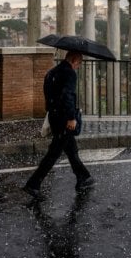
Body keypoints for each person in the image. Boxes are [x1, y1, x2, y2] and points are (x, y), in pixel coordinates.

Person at [23, 51, 94, 199]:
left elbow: (48, 95)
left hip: (54, 117)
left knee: (71, 149)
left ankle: (83, 178)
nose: (78, 67)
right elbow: (68, 96)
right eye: (79, 63)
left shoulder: (51, 72)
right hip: (64, 119)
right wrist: (71, 118)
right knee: (54, 153)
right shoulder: (69, 73)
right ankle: (33, 184)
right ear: (74, 59)